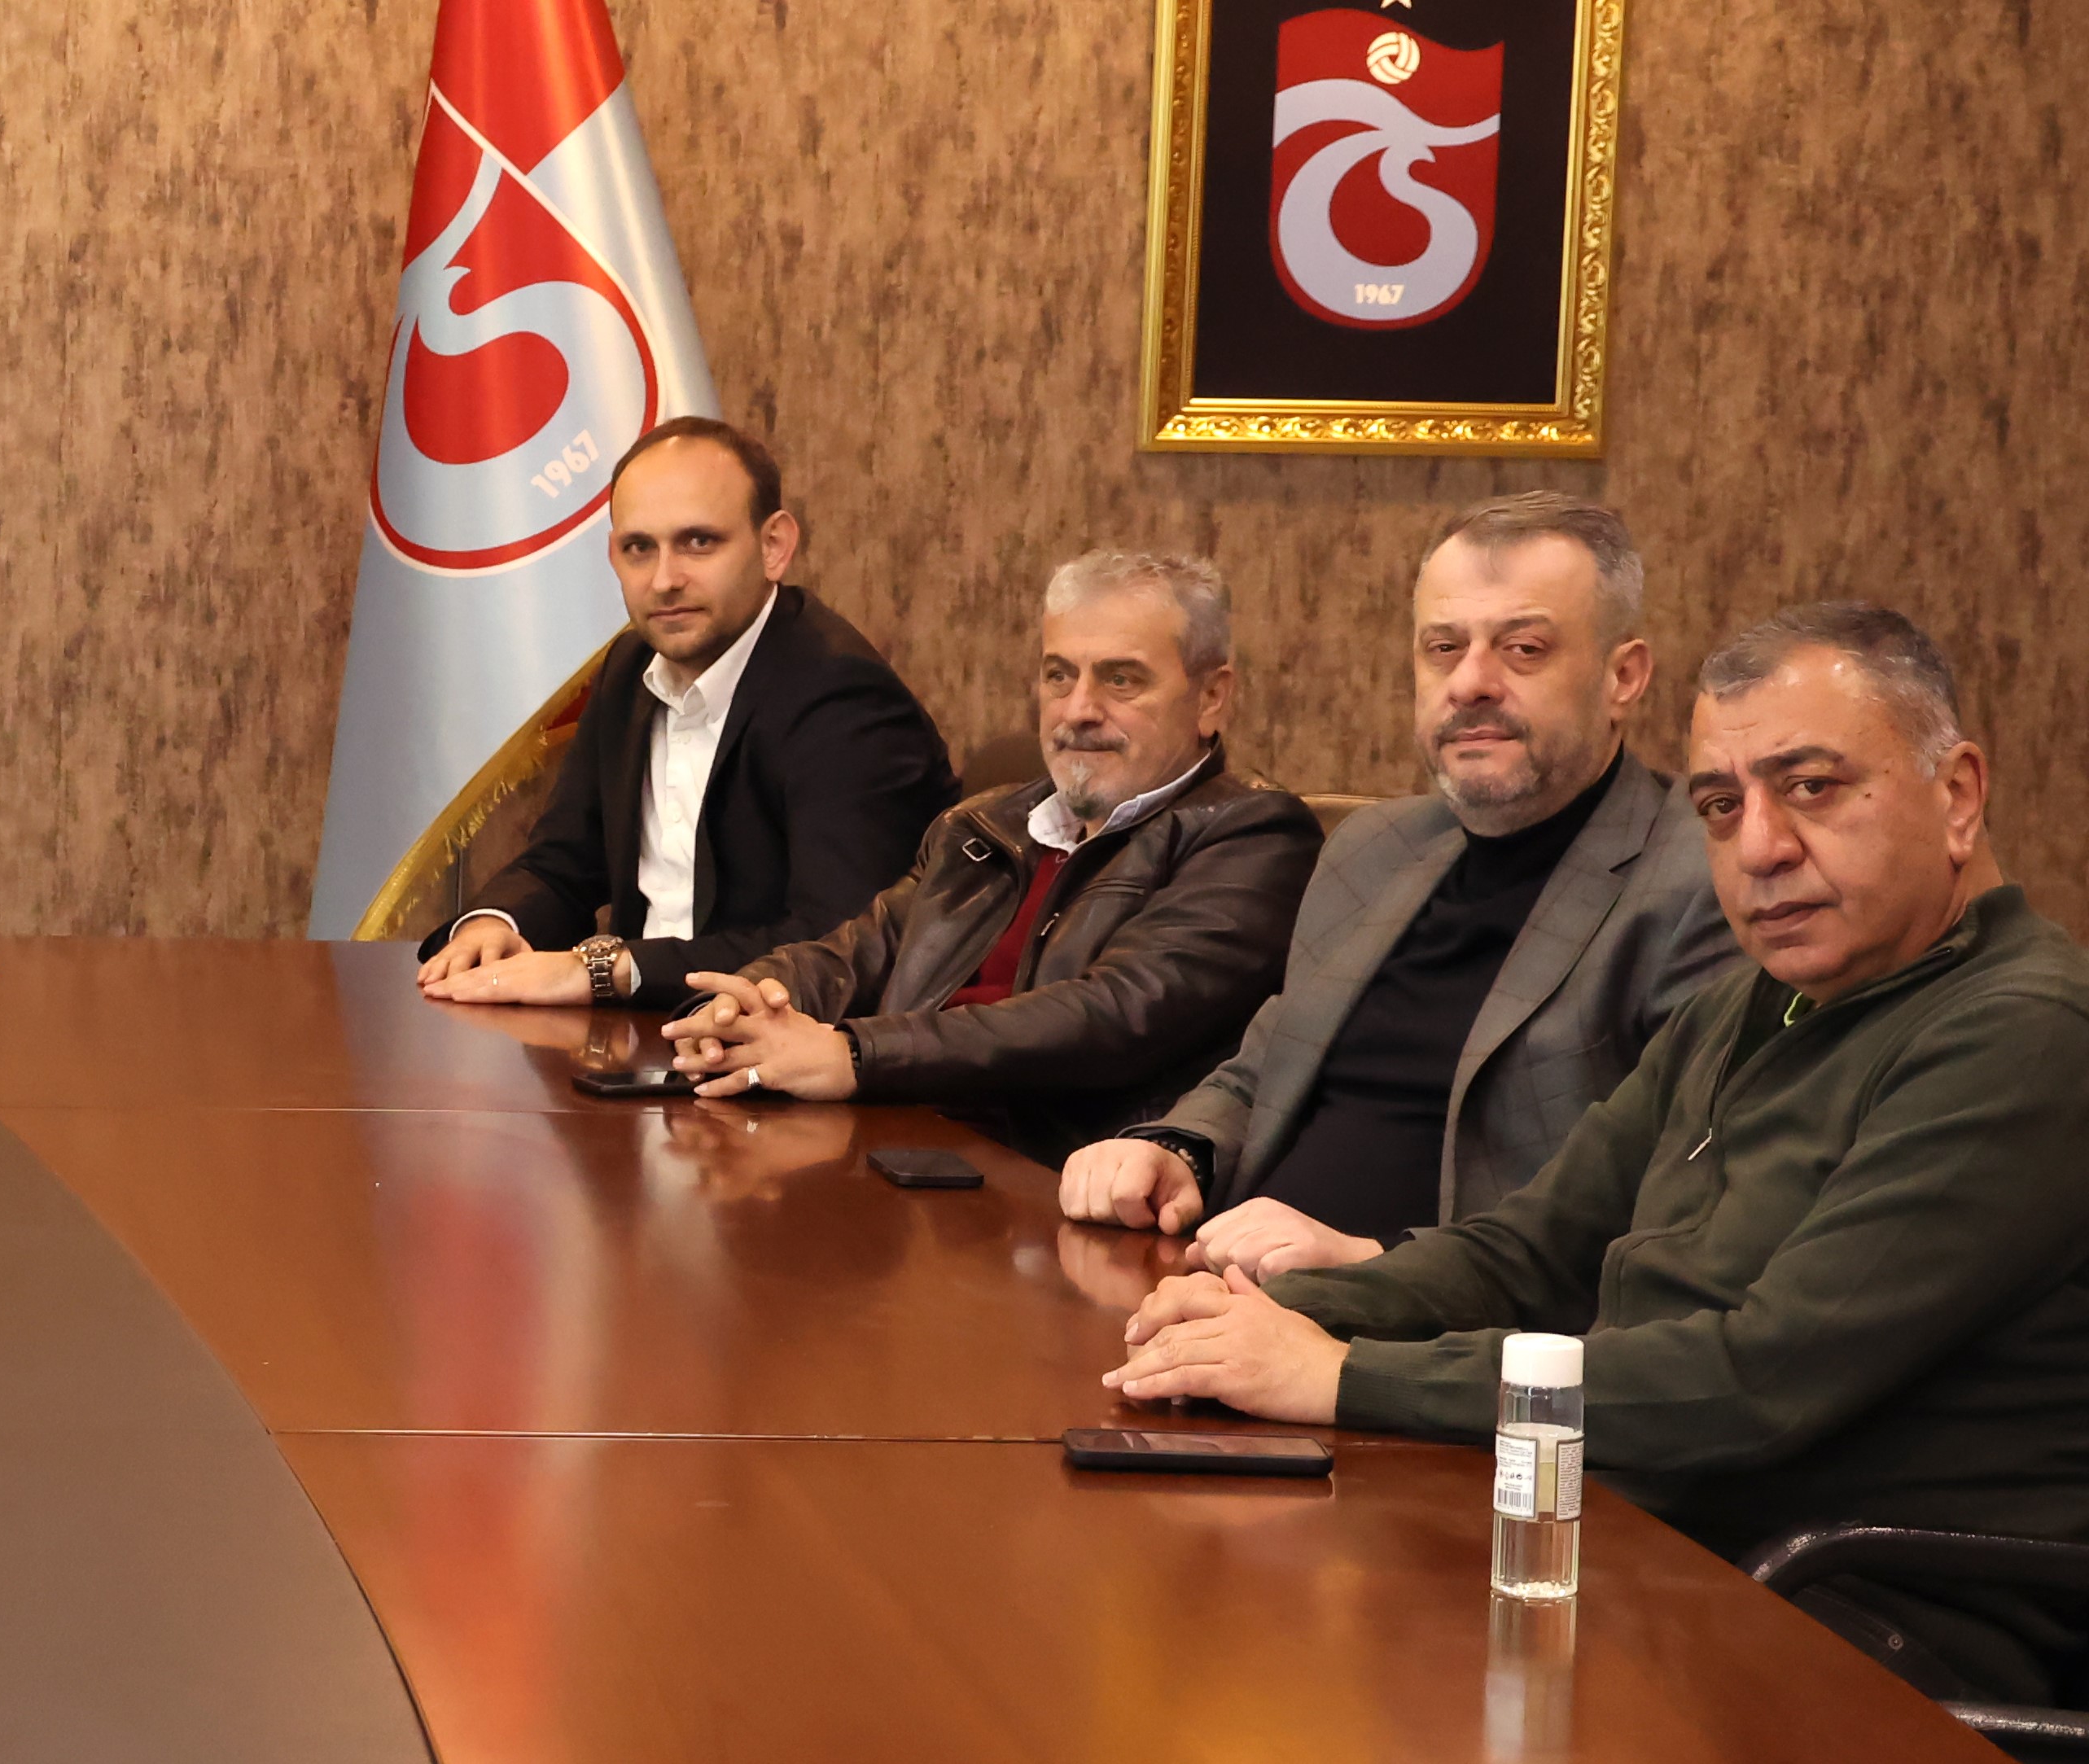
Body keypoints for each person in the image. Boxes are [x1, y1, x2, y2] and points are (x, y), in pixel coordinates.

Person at [1108, 603, 2089, 1706]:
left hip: (1853, 1619)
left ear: (1957, 795)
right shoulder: (1751, 1003)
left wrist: (1339, 1375)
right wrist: (1258, 1314)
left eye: (1812, 787)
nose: (1760, 848)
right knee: (1213, 1621)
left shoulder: (2023, 1032)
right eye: (1721, 806)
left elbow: (1754, 1381)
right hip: (1641, 1539)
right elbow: (1528, 1251)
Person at [1061, 495, 1736, 1271]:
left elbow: (1673, 1207)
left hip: (1431, 1327)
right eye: (1443, 647)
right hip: (1217, 1286)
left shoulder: (1701, 878)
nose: (1470, 683)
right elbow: (1268, 1066)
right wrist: (1180, 1149)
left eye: (1523, 649)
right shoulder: (1373, 848)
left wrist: (1373, 1265)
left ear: (1624, 676)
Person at [657, 553, 1320, 1156]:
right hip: (890, 1149)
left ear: (1211, 697)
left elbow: (1113, 1015)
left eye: (1120, 680)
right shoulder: (986, 823)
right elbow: (854, 953)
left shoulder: (1254, 837)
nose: (1078, 710)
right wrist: (744, 1006)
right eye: (1058, 676)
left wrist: (855, 1055)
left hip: (1056, 1188)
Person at [417, 417, 958, 1009]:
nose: (665, 580)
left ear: (774, 546)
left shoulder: (844, 699)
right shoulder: (629, 667)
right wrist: (496, 923)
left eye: (699, 542)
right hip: (639, 1033)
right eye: (639, 548)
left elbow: (837, 950)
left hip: (772, 1047)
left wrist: (608, 969)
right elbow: (565, 860)